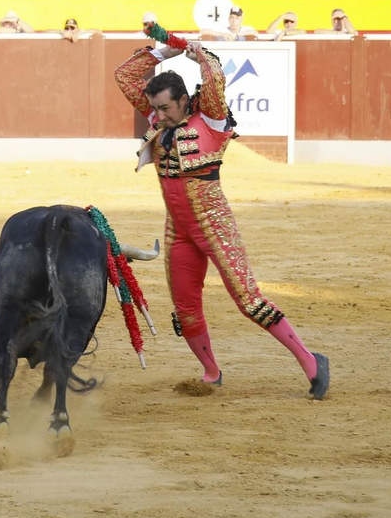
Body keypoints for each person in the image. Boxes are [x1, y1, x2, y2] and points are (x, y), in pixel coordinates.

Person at [114, 37, 329, 397]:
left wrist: (199, 52)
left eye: (166, 108)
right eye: (156, 108)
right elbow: (124, 76)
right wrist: (165, 51)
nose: (159, 116)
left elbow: (213, 79)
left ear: (184, 100)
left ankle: (311, 362)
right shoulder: (158, 113)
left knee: (249, 301)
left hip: (215, 225)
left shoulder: (211, 118)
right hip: (178, 231)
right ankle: (211, 371)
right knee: (185, 309)